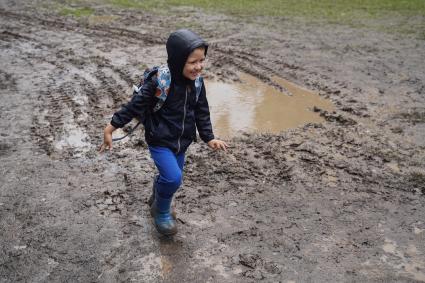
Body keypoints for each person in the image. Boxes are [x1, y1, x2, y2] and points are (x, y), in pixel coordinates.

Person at [99, 29, 228, 236]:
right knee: (174, 178)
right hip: (159, 139)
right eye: (192, 62)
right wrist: (111, 127)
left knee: (172, 178)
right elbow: (135, 106)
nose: (199, 67)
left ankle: (158, 193)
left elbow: (201, 111)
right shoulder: (159, 82)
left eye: (201, 60)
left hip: (182, 142)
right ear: (178, 60)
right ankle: (161, 211)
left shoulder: (197, 83)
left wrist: (209, 137)